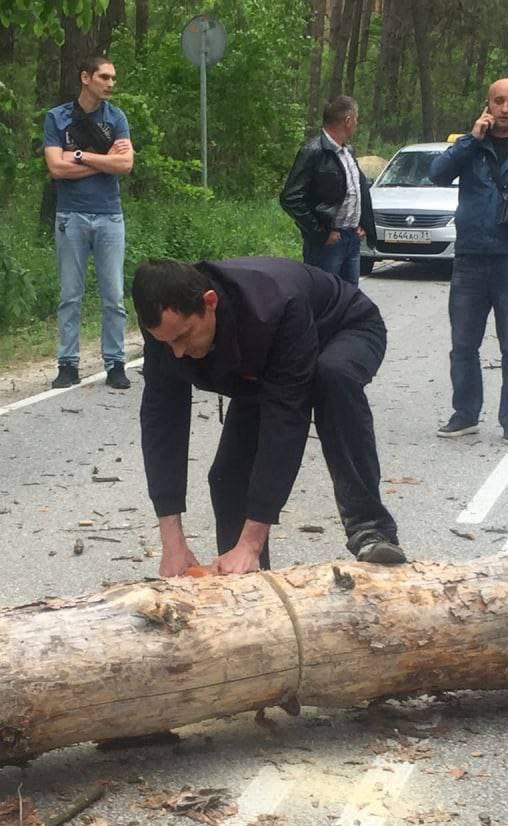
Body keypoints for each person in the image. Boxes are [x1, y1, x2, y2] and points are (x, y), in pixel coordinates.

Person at [132, 257, 406, 574]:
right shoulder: (165, 331)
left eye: (183, 337)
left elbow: (285, 424)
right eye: (166, 342)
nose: (178, 352)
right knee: (227, 477)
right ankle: (246, 581)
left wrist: (252, 542)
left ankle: (370, 529)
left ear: (210, 303)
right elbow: (161, 423)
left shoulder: (275, 304)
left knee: (332, 376)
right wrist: (172, 542)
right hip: (263, 364)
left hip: (344, 328)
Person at [429, 78, 508, 445]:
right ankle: (465, 414)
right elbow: (437, 174)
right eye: (498, 101)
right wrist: (471, 138)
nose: (504, 109)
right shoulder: (471, 146)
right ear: (487, 104)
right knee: (463, 344)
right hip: (470, 259)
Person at [43, 54, 134, 391]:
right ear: (86, 77)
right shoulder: (58, 118)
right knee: (70, 294)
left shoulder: (117, 117)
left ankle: (115, 363)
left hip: (110, 215)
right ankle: (68, 363)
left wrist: (80, 156)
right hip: (71, 216)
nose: (110, 84)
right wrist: (104, 160)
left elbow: (125, 165)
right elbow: (56, 167)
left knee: (113, 295)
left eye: (113, 78)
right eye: (104, 77)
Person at [279, 95, 378, 285]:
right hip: (327, 244)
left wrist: (361, 223)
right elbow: (290, 198)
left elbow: (355, 189)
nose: (357, 123)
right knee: (324, 301)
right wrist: (320, 233)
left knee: (350, 302)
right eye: (356, 119)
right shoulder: (313, 151)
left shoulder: (348, 151)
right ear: (348, 121)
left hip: (351, 239)